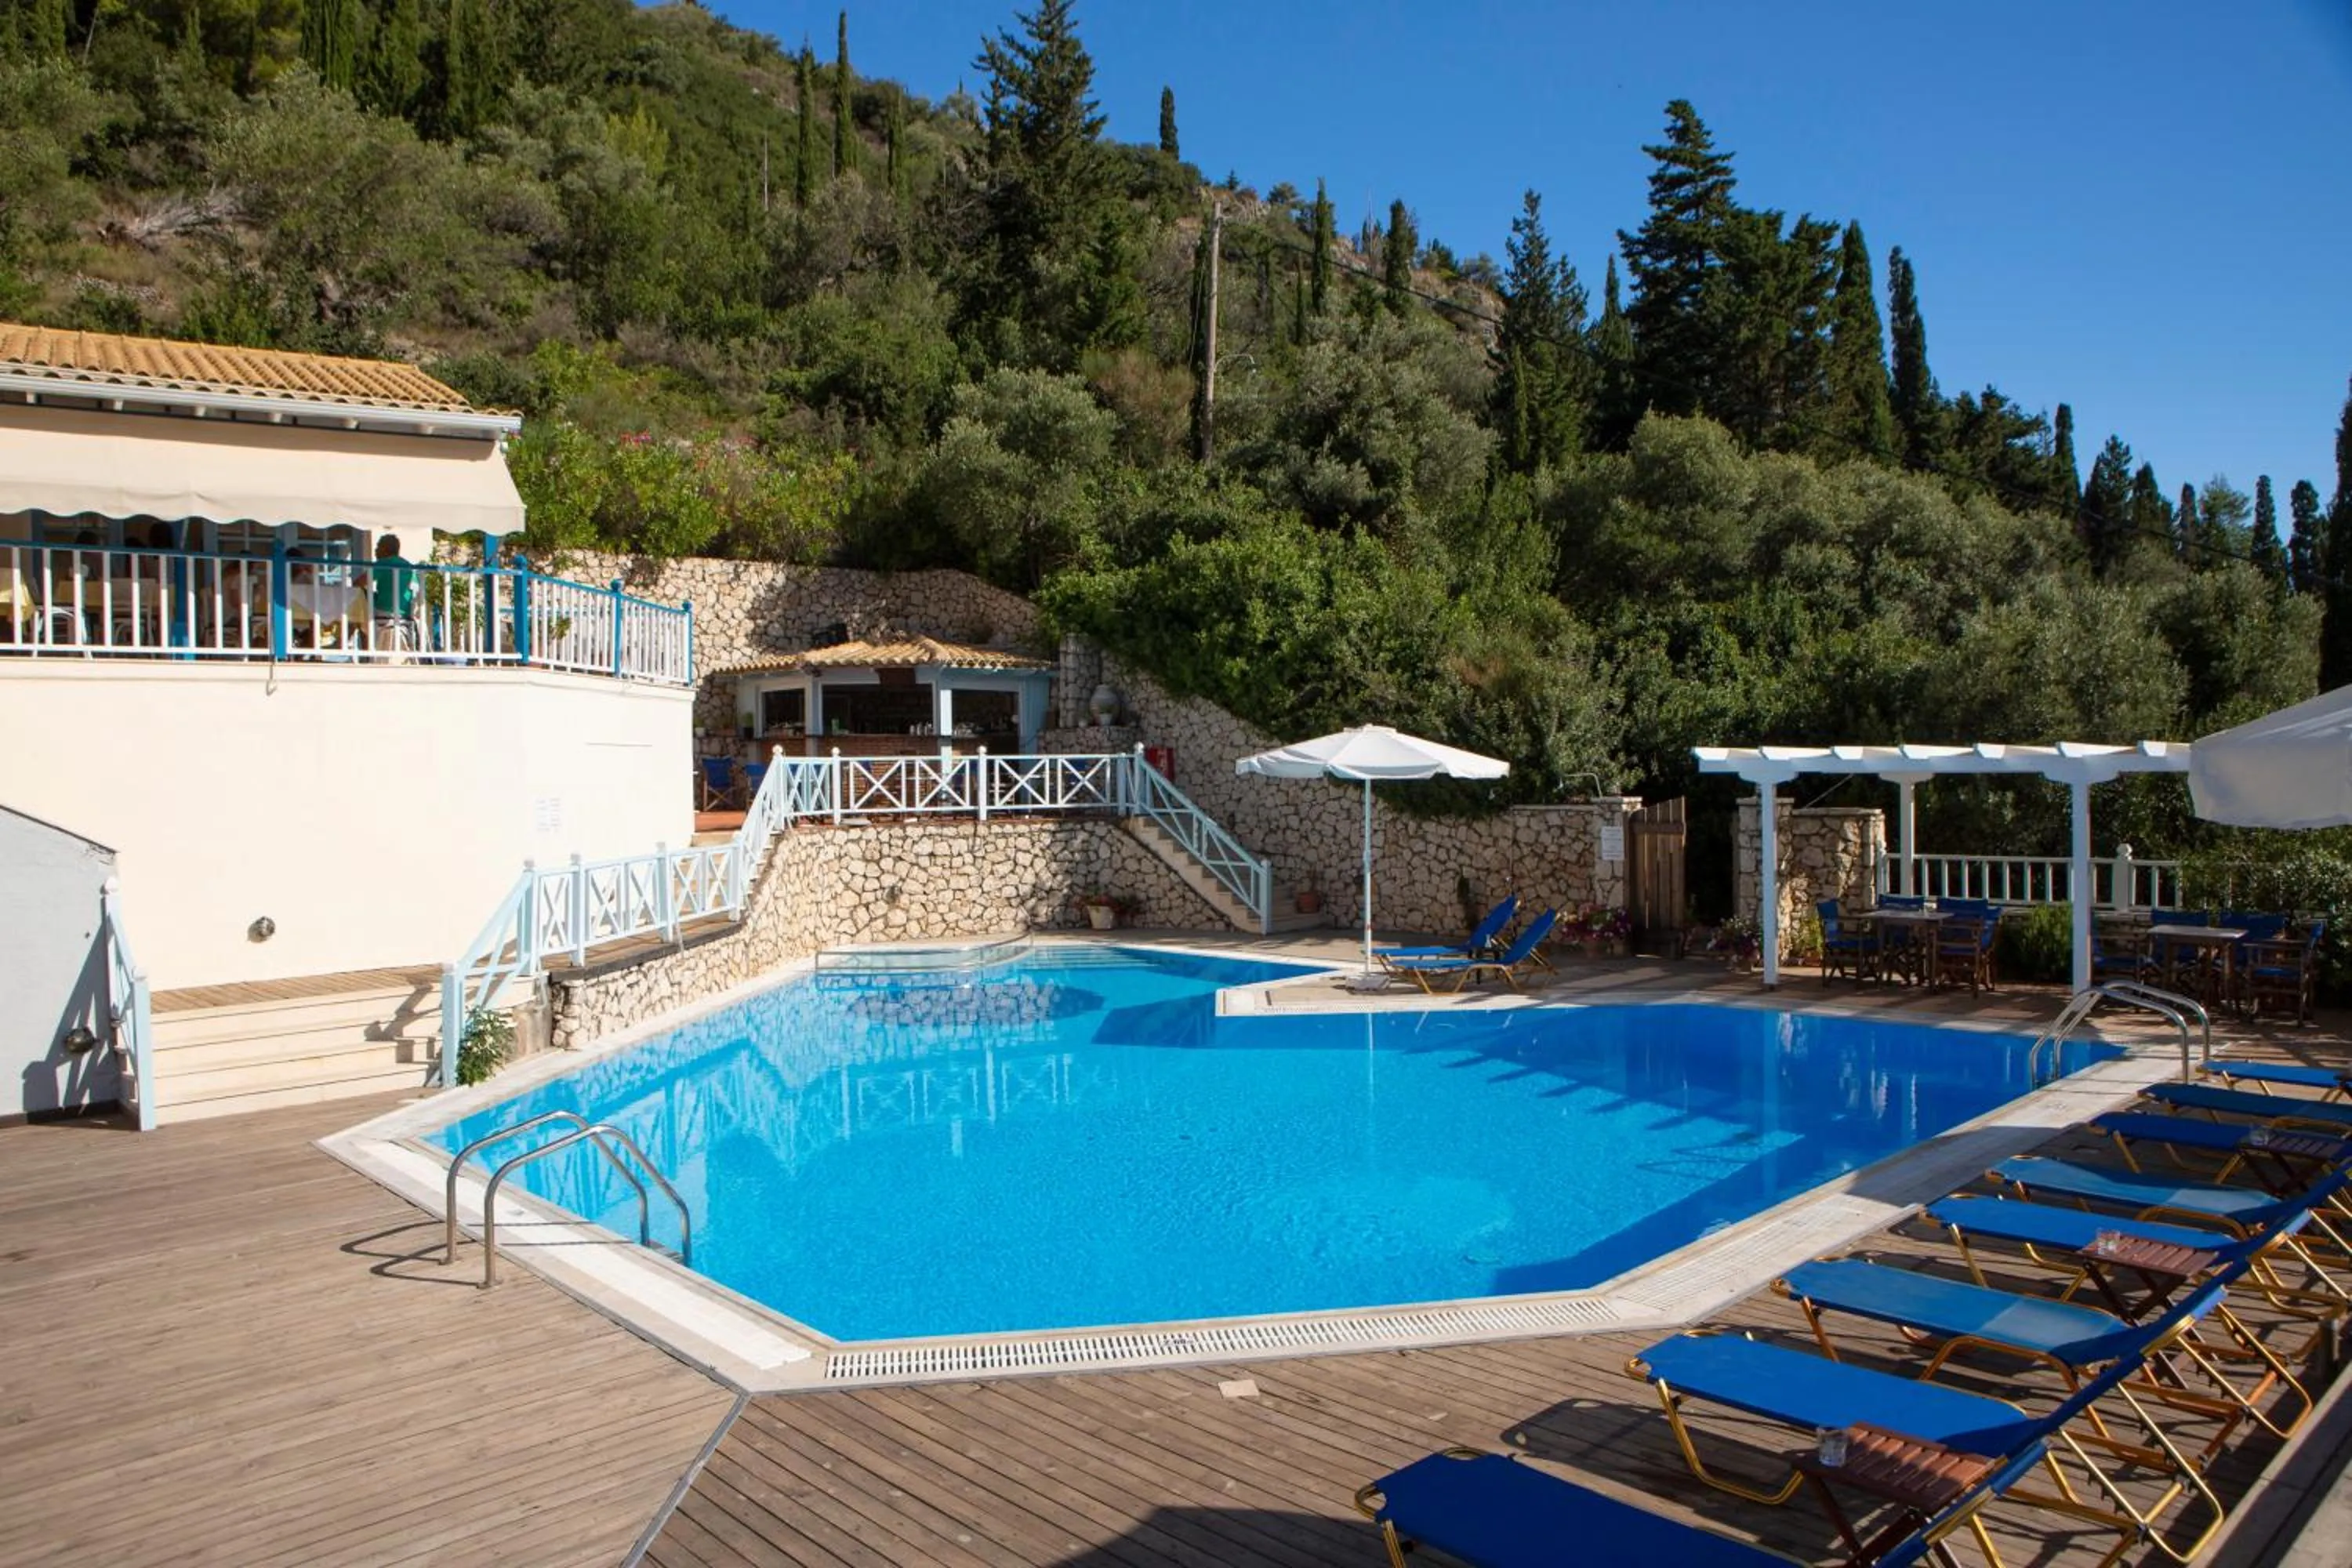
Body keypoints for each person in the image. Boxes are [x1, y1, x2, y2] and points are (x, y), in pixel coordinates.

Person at [368, 534, 418, 658]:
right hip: (406, 615)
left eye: (378, 546)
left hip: (385, 613)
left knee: (360, 613)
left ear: (385, 549)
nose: (375, 550)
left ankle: (366, 654)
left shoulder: (383, 564)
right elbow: (416, 591)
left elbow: (359, 582)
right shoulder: (409, 566)